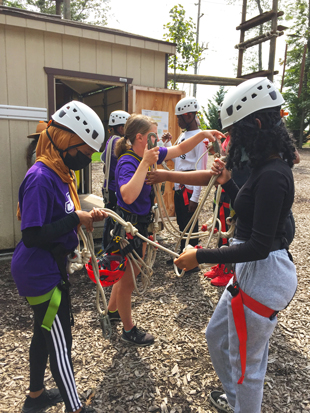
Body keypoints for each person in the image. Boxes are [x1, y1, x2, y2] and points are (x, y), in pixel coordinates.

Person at [172, 77, 297, 413]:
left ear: (256, 125)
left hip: (264, 274)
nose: (231, 144)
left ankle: (243, 403)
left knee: (248, 368)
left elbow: (258, 245)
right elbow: (252, 217)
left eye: (237, 134)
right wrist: (227, 185)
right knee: (217, 336)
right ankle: (236, 400)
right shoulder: (264, 168)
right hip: (252, 272)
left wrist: (199, 255)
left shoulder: (273, 174)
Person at [11, 101, 107, 413]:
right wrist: (75, 218)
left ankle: (35, 396)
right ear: (65, 142)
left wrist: (80, 217)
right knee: (59, 342)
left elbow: (62, 218)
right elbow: (32, 234)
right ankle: (75, 407)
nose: (86, 158)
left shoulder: (59, 173)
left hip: (47, 267)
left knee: (44, 332)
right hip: (40, 273)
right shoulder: (41, 178)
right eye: (84, 151)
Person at [106, 113, 224, 345]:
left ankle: (112, 312)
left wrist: (202, 134)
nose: (158, 139)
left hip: (139, 223)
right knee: (130, 278)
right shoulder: (128, 161)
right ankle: (128, 330)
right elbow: (128, 195)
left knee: (126, 273)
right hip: (128, 225)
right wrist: (145, 163)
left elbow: (178, 150)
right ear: (140, 138)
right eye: (154, 135)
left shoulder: (147, 153)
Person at [166, 97, 209, 267]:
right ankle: (182, 255)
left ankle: (192, 262)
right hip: (179, 185)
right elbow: (178, 160)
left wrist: (195, 198)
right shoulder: (183, 136)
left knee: (191, 227)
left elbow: (201, 168)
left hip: (190, 189)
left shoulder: (200, 138)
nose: (177, 121)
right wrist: (168, 143)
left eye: (180, 118)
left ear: (189, 116)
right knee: (182, 224)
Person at [101, 110, 130, 250]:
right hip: (115, 188)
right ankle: (110, 249)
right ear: (121, 128)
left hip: (108, 187)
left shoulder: (110, 141)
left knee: (110, 218)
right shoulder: (120, 143)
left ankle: (107, 247)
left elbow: (104, 167)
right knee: (116, 219)